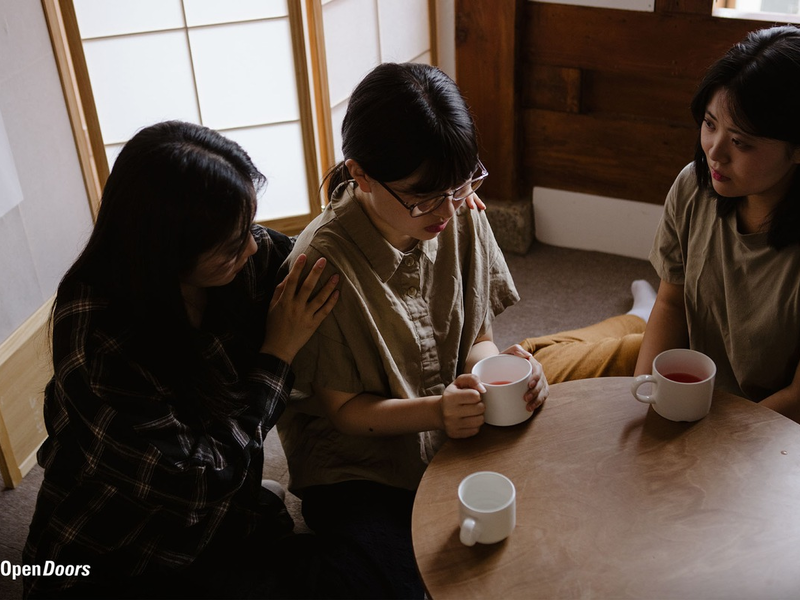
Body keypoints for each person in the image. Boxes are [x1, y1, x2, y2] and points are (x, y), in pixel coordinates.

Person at [22, 120, 389, 599]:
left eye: (249, 227)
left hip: (224, 518)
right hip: (119, 547)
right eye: (234, 243)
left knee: (370, 577)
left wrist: (419, 205)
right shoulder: (99, 338)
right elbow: (198, 483)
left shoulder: (235, 258)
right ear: (167, 252)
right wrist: (276, 355)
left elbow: (320, 258)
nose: (255, 246)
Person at [277, 62, 549, 598]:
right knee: (410, 581)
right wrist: (436, 411)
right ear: (360, 175)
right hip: (359, 469)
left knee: (544, 514)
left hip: (452, 429)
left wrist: (495, 373)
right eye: (424, 197)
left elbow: (476, 337)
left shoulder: (457, 205)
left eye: (461, 183)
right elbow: (343, 413)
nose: (448, 209)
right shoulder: (321, 264)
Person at [634, 25, 800, 422]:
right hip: (692, 379)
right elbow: (673, 303)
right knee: (544, 363)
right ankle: (636, 314)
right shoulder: (694, 184)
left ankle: (634, 316)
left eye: (741, 142)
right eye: (710, 124)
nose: (715, 152)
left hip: (770, 431)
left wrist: (712, 444)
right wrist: (640, 397)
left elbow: (798, 397)